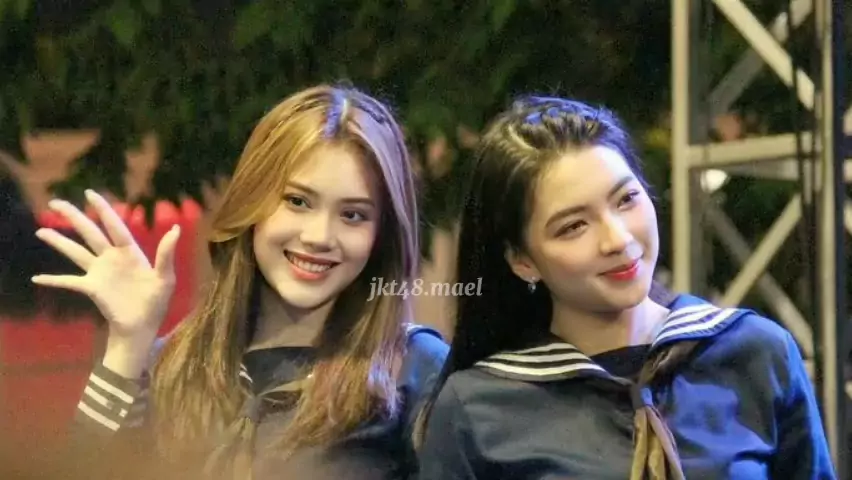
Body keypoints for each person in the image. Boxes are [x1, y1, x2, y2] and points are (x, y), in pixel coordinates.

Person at [32, 84, 448, 480]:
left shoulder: (416, 370)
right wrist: (127, 345)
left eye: (352, 215)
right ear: (252, 202)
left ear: (381, 236)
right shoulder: (170, 366)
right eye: (297, 201)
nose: (320, 236)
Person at [415, 96, 835, 479]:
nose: (617, 239)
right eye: (573, 226)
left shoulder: (756, 352)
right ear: (522, 261)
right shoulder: (477, 406)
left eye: (626, 200)